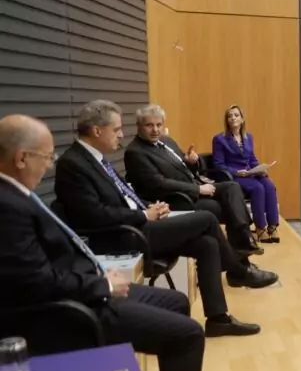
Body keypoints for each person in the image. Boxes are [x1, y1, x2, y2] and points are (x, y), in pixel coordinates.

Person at [0, 114, 243, 371]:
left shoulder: (17, 197)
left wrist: (100, 275)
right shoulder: (7, 208)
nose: (50, 164)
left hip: (83, 288)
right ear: (22, 158)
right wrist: (102, 285)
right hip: (66, 311)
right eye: (46, 157)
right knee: (188, 335)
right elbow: (33, 283)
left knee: (176, 302)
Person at [54, 101, 276, 335]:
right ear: (97, 131)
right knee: (207, 219)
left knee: (207, 244)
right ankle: (238, 271)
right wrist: (143, 214)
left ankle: (218, 319)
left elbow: (123, 196)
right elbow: (93, 215)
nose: (121, 135)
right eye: (116, 129)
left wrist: (150, 207)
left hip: (138, 224)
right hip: (123, 236)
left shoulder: (96, 158)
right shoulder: (74, 164)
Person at [125, 104, 262, 255]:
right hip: (177, 199)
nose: (155, 130)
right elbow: (158, 183)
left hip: (193, 186)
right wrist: (198, 189)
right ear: (138, 126)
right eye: (149, 125)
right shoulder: (135, 152)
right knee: (225, 207)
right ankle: (241, 252)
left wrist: (191, 162)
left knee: (232, 187)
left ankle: (243, 237)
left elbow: (184, 167)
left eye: (159, 125)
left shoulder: (167, 141)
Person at [211, 105, 282, 243]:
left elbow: (252, 160)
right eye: (230, 116)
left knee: (269, 186)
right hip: (234, 176)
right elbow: (218, 165)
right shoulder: (219, 139)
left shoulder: (248, 137)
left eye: (236, 115)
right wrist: (236, 172)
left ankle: (272, 227)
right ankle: (260, 228)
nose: (233, 118)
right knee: (258, 188)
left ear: (242, 119)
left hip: (250, 173)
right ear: (227, 120)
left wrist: (260, 168)